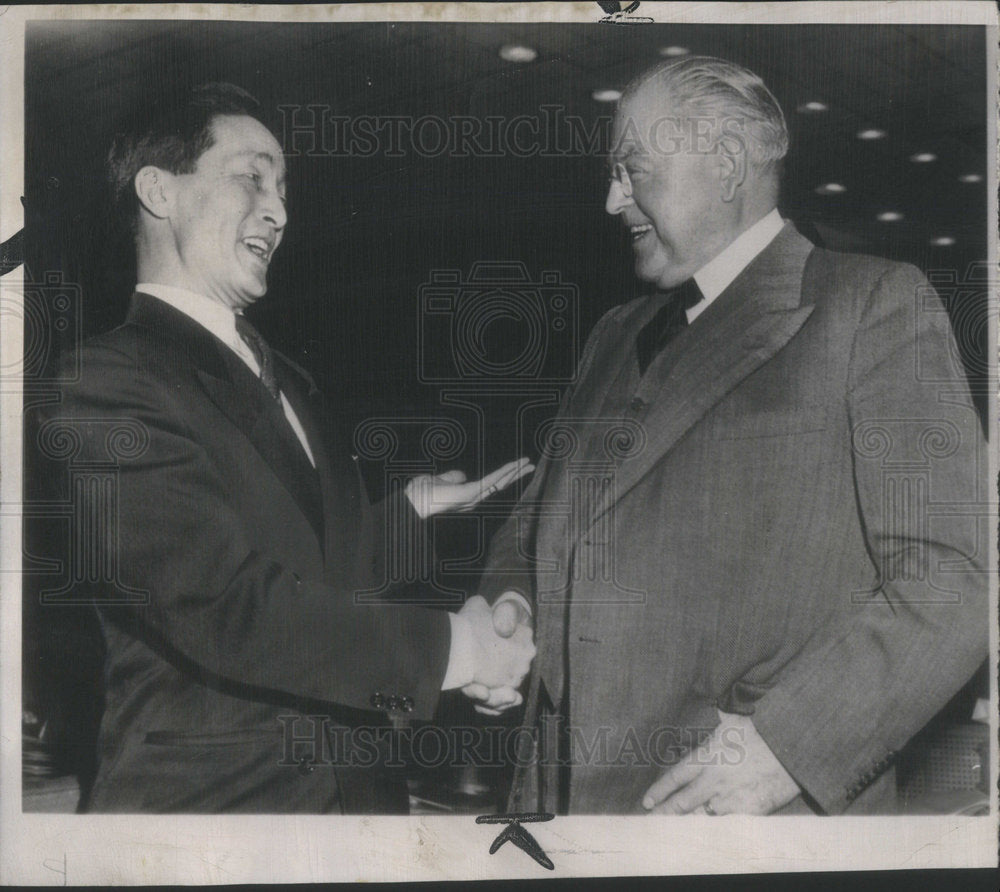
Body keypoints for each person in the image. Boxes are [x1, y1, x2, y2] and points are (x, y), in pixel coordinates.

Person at [477, 56, 988, 814]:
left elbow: (953, 579)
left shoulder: (872, 306)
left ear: (725, 164)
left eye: (632, 170)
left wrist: (790, 746)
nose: (612, 199)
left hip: (738, 819)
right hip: (563, 815)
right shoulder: (615, 334)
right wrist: (511, 610)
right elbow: (538, 523)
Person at [25, 83, 534, 813]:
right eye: (251, 177)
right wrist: (460, 650)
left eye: (285, 187)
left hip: (353, 803)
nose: (281, 210)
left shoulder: (286, 376)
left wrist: (409, 514)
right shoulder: (103, 381)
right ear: (159, 191)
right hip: (214, 815)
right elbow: (223, 603)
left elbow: (312, 571)